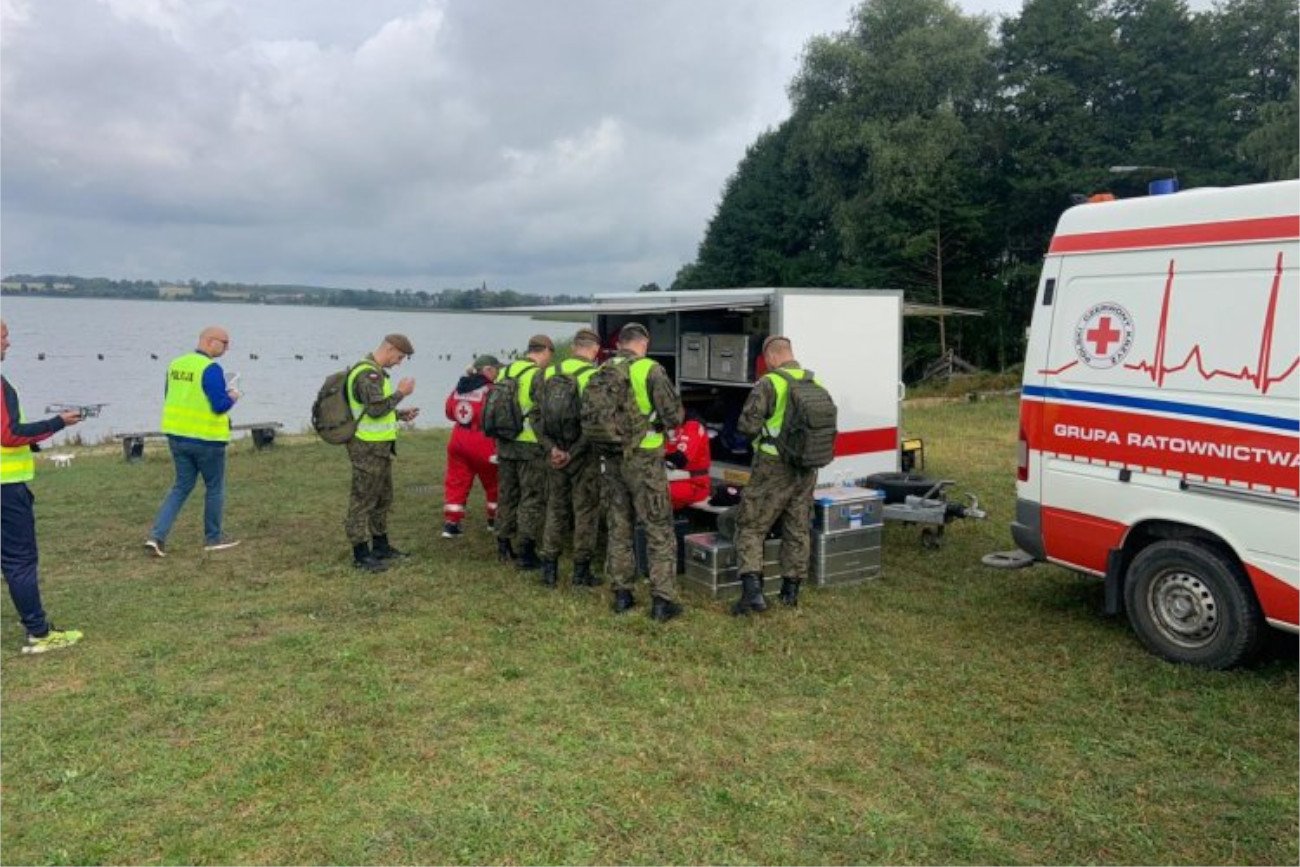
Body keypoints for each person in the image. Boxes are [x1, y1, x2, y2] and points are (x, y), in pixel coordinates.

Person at [0, 319, 85, 653]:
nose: (8, 344)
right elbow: (9, 434)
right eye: (3, 337)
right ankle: (38, 632)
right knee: (19, 560)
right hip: (6, 488)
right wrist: (56, 423)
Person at [597, 322, 685, 621]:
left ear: (621, 343)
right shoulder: (651, 370)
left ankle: (622, 594)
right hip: (645, 459)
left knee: (619, 525)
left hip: (612, 458)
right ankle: (662, 600)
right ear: (643, 343)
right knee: (658, 527)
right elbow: (673, 416)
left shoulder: (604, 369)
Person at [730, 336, 820, 614]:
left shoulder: (770, 384)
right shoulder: (813, 382)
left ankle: (752, 594)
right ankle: (790, 592)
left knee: (751, 524)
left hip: (773, 465)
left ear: (770, 357)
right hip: (806, 466)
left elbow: (747, 425)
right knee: (797, 526)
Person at [145, 326, 242, 556]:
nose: (227, 348)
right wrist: (233, 397)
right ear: (209, 341)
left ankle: (157, 536)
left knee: (181, 486)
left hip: (177, 436)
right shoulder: (211, 369)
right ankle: (213, 537)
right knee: (215, 487)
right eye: (224, 342)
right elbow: (220, 406)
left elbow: (170, 396)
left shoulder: (175, 365)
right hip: (207, 439)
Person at [344, 334, 419, 572]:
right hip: (366, 448)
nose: (398, 363)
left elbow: (373, 410)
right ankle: (360, 553)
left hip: (380, 448)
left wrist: (399, 413)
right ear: (390, 348)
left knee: (382, 499)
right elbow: (375, 409)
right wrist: (400, 394)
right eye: (399, 357)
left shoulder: (375, 372)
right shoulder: (368, 374)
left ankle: (381, 545)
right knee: (363, 500)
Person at [536, 328, 602, 588]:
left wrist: (551, 448)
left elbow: (535, 415)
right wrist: (573, 452)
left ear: (574, 347)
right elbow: (596, 423)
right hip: (582, 455)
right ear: (594, 350)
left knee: (555, 507)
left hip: (555, 454)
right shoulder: (594, 376)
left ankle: (549, 570)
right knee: (585, 511)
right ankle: (581, 572)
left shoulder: (549, 372)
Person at [493, 334, 553, 570]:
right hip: (529, 444)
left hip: (505, 441)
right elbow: (543, 411)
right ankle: (526, 550)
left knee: (507, 493)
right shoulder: (536, 375)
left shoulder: (505, 372)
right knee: (532, 497)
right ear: (545, 350)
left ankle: (503, 543)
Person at [442, 354, 500, 538]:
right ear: (488, 370)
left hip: (458, 438)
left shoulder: (459, 387)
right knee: (494, 481)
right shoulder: (490, 390)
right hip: (483, 439)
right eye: (496, 369)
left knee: (456, 481)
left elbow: (449, 413)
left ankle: (451, 524)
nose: (498, 373)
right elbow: (497, 416)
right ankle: (494, 520)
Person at [666, 409, 711, 511]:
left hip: (693, 483)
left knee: (654, 492)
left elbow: (680, 459)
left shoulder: (692, 426)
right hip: (673, 479)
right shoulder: (667, 425)